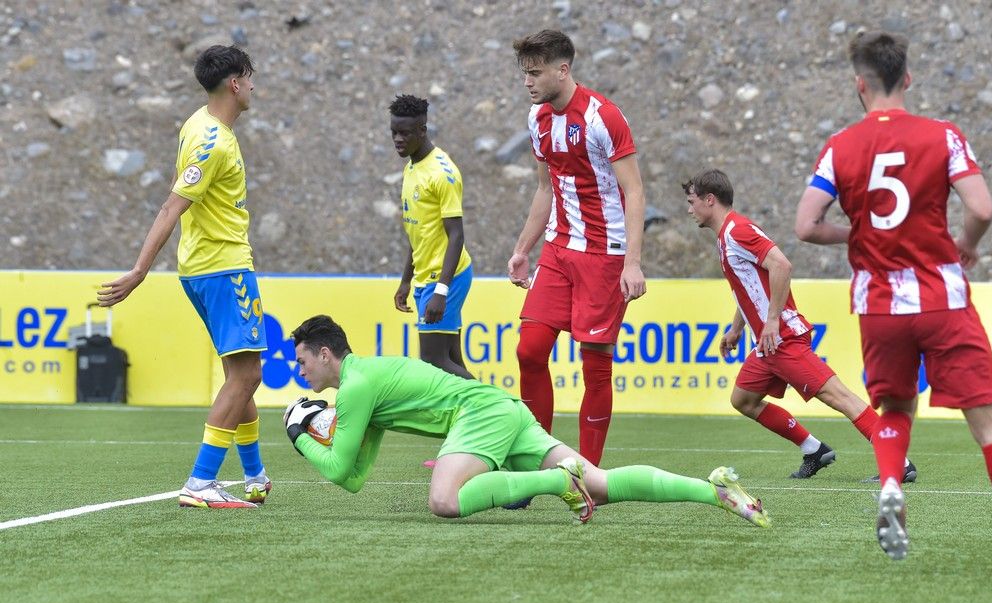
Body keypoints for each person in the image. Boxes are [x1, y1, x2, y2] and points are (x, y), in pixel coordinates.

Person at [795, 30, 992, 560]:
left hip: (880, 305)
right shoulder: (943, 135)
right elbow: (980, 208)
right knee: (988, 420)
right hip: (941, 297)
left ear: (859, 84)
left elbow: (806, 225)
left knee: (894, 406)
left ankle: (890, 485)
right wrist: (966, 247)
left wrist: (859, 232)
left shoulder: (841, 145)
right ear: (906, 78)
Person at [281, 315, 772, 529]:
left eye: (303, 362)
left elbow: (336, 467)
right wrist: (314, 434)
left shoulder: (356, 387)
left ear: (326, 354)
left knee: (444, 501)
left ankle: (555, 481)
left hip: (482, 414)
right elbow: (353, 476)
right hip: (503, 410)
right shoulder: (365, 382)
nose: (300, 372)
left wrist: (300, 434)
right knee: (598, 484)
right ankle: (715, 491)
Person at [97, 45, 268, 509]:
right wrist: (139, 270)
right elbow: (172, 204)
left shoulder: (197, 123)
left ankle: (254, 476)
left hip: (203, 265)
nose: (254, 85)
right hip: (223, 266)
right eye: (250, 77)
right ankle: (200, 483)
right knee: (248, 372)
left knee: (241, 372)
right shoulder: (211, 139)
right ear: (235, 82)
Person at [684, 170, 917, 482]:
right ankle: (814, 449)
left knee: (840, 398)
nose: (690, 209)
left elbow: (781, 265)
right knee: (743, 399)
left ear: (709, 200)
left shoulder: (736, 231)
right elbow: (750, 286)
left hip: (781, 339)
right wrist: (736, 328)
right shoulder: (727, 235)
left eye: (692, 201)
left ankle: (899, 463)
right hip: (767, 344)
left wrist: (770, 322)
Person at [506, 29, 647, 470]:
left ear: (562, 70)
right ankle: (536, 463)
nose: (527, 82)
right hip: (559, 249)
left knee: (595, 365)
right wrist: (523, 248)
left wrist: (633, 263)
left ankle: (586, 475)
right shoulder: (538, 119)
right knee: (529, 350)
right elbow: (545, 188)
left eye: (535, 73)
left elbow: (635, 192)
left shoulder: (604, 117)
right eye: (524, 73)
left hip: (605, 255)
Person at [389, 94, 474, 381]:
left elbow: (456, 236)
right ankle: (476, 421)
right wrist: (405, 279)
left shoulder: (442, 173)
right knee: (451, 360)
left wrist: (441, 291)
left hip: (445, 278)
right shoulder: (412, 166)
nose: (398, 139)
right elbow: (419, 232)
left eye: (405, 133)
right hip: (426, 277)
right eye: (394, 132)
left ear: (422, 131)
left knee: (433, 361)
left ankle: (502, 411)